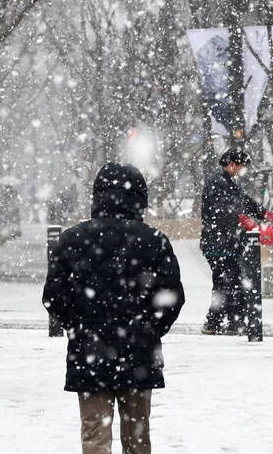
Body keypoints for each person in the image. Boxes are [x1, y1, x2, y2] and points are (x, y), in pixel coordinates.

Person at [43, 162, 185, 454]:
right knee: (137, 437)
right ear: (140, 198)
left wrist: (78, 326)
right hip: (139, 353)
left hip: (89, 352)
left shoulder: (71, 240)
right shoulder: (154, 241)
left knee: (95, 434)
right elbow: (172, 297)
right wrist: (149, 329)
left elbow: (53, 296)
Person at [200, 148, 273, 335]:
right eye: (240, 166)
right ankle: (217, 323)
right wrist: (244, 220)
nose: (241, 170)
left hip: (226, 243)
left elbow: (244, 202)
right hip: (217, 244)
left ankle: (231, 322)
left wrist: (265, 215)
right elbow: (220, 211)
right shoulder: (216, 182)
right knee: (226, 283)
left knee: (233, 282)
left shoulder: (228, 183)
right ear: (231, 164)